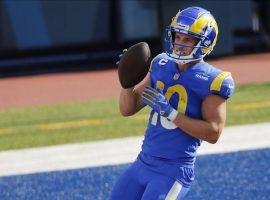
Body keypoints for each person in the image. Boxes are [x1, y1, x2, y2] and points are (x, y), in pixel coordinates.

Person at [110, 6, 235, 200]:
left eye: (187, 39)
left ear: (205, 43)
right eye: (177, 37)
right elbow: (127, 109)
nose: (179, 43)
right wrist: (127, 82)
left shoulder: (213, 80)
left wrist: (171, 113)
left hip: (173, 171)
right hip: (143, 162)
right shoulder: (161, 64)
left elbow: (213, 132)